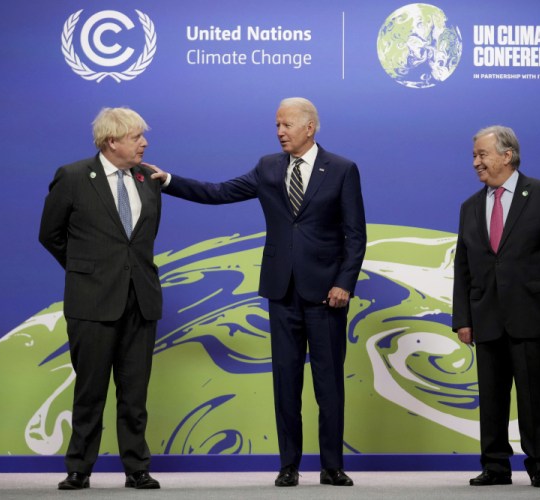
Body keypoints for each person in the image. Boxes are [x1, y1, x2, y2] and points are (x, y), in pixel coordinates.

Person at [147, 97, 366, 487]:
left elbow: (355, 235)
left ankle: (332, 466)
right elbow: (219, 192)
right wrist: (168, 181)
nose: (280, 131)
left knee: (328, 384)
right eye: (277, 126)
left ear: (310, 127)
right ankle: (289, 466)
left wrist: (343, 283)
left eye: (286, 125)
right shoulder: (268, 167)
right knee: (285, 383)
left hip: (326, 296)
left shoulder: (343, 170)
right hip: (282, 294)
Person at [39, 107, 163, 490]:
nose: (144, 143)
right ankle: (79, 468)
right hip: (91, 303)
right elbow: (50, 234)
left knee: (134, 392)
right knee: (90, 390)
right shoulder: (73, 177)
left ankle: (136, 468)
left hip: (139, 301)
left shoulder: (148, 179)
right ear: (112, 141)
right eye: (136, 137)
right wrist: (86, 271)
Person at [452, 125, 540, 488]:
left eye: (482, 154)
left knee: (534, 396)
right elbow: (464, 267)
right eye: (474, 155)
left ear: (508, 155)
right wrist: (462, 318)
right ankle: (495, 466)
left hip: (531, 313)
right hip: (485, 315)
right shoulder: (470, 206)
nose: (476, 162)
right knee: (490, 397)